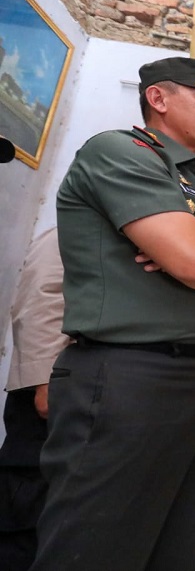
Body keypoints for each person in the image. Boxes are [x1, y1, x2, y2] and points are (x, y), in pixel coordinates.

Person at [33, 56, 195, 571]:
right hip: (131, 377)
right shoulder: (120, 152)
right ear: (159, 99)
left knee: (179, 545)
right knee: (96, 549)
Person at [0, 229, 69, 571]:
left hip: (87, 403)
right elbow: (40, 295)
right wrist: (46, 380)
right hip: (52, 397)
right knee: (27, 523)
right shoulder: (80, 221)